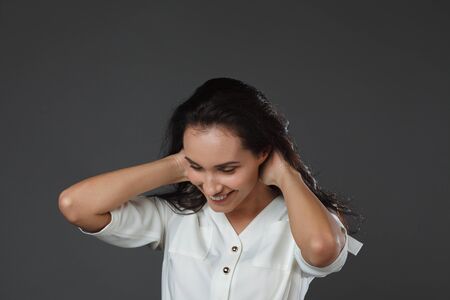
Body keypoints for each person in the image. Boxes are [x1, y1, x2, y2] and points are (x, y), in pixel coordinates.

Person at [58, 77, 364, 300]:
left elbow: (322, 249)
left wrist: (286, 174)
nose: (212, 186)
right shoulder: (179, 217)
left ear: (263, 153)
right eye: (198, 167)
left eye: (227, 169)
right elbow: (76, 205)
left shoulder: (301, 220)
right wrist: (178, 165)